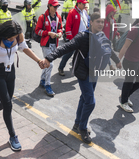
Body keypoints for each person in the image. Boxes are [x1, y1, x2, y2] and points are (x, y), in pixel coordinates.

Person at [41, 12, 121, 143]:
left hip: (95, 72)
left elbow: (109, 49)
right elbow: (66, 47)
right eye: (98, 22)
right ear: (91, 22)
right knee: (90, 101)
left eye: (102, 22)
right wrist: (49, 57)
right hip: (83, 73)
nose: (101, 24)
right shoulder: (83, 36)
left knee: (84, 98)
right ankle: (83, 128)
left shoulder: (101, 35)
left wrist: (117, 60)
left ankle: (77, 123)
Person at [0, 20, 44, 151]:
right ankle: (12, 136)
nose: (13, 39)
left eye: (14, 37)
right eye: (10, 37)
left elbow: (25, 48)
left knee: (7, 101)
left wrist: (38, 61)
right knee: (8, 104)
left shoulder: (18, 35)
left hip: (10, 72)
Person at [118, 10, 139, 113]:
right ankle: (123, 102)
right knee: (128, 81)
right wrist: (118, 61)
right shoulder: (134, 30)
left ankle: (125, 95)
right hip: (130, 61)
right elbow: (125, 46)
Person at [35, 0, 63, 96]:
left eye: (57, 6)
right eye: (54, 6)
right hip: (45, 44)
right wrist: (48, 33)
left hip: (54, 43)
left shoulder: (58, 17)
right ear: (49, 6)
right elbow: (37, 31)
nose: (56, 8)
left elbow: (60, 28)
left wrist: (59, 33)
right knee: (50, 64)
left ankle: (42, 80)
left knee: (47, 63)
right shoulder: (42, 17)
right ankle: (47, 85)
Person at [58, 0, 89, 76]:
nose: (85, 5)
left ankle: (78, 69)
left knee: (81, 55)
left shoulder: (85, 12)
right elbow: (68, 26)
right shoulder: (72, 12)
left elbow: (87, 23)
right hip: (74, 38)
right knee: (68, 53)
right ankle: (61, 67)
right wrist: (71, 38)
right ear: (78, 4)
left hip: (83, 38)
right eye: (83, 3)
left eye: (85, 3)